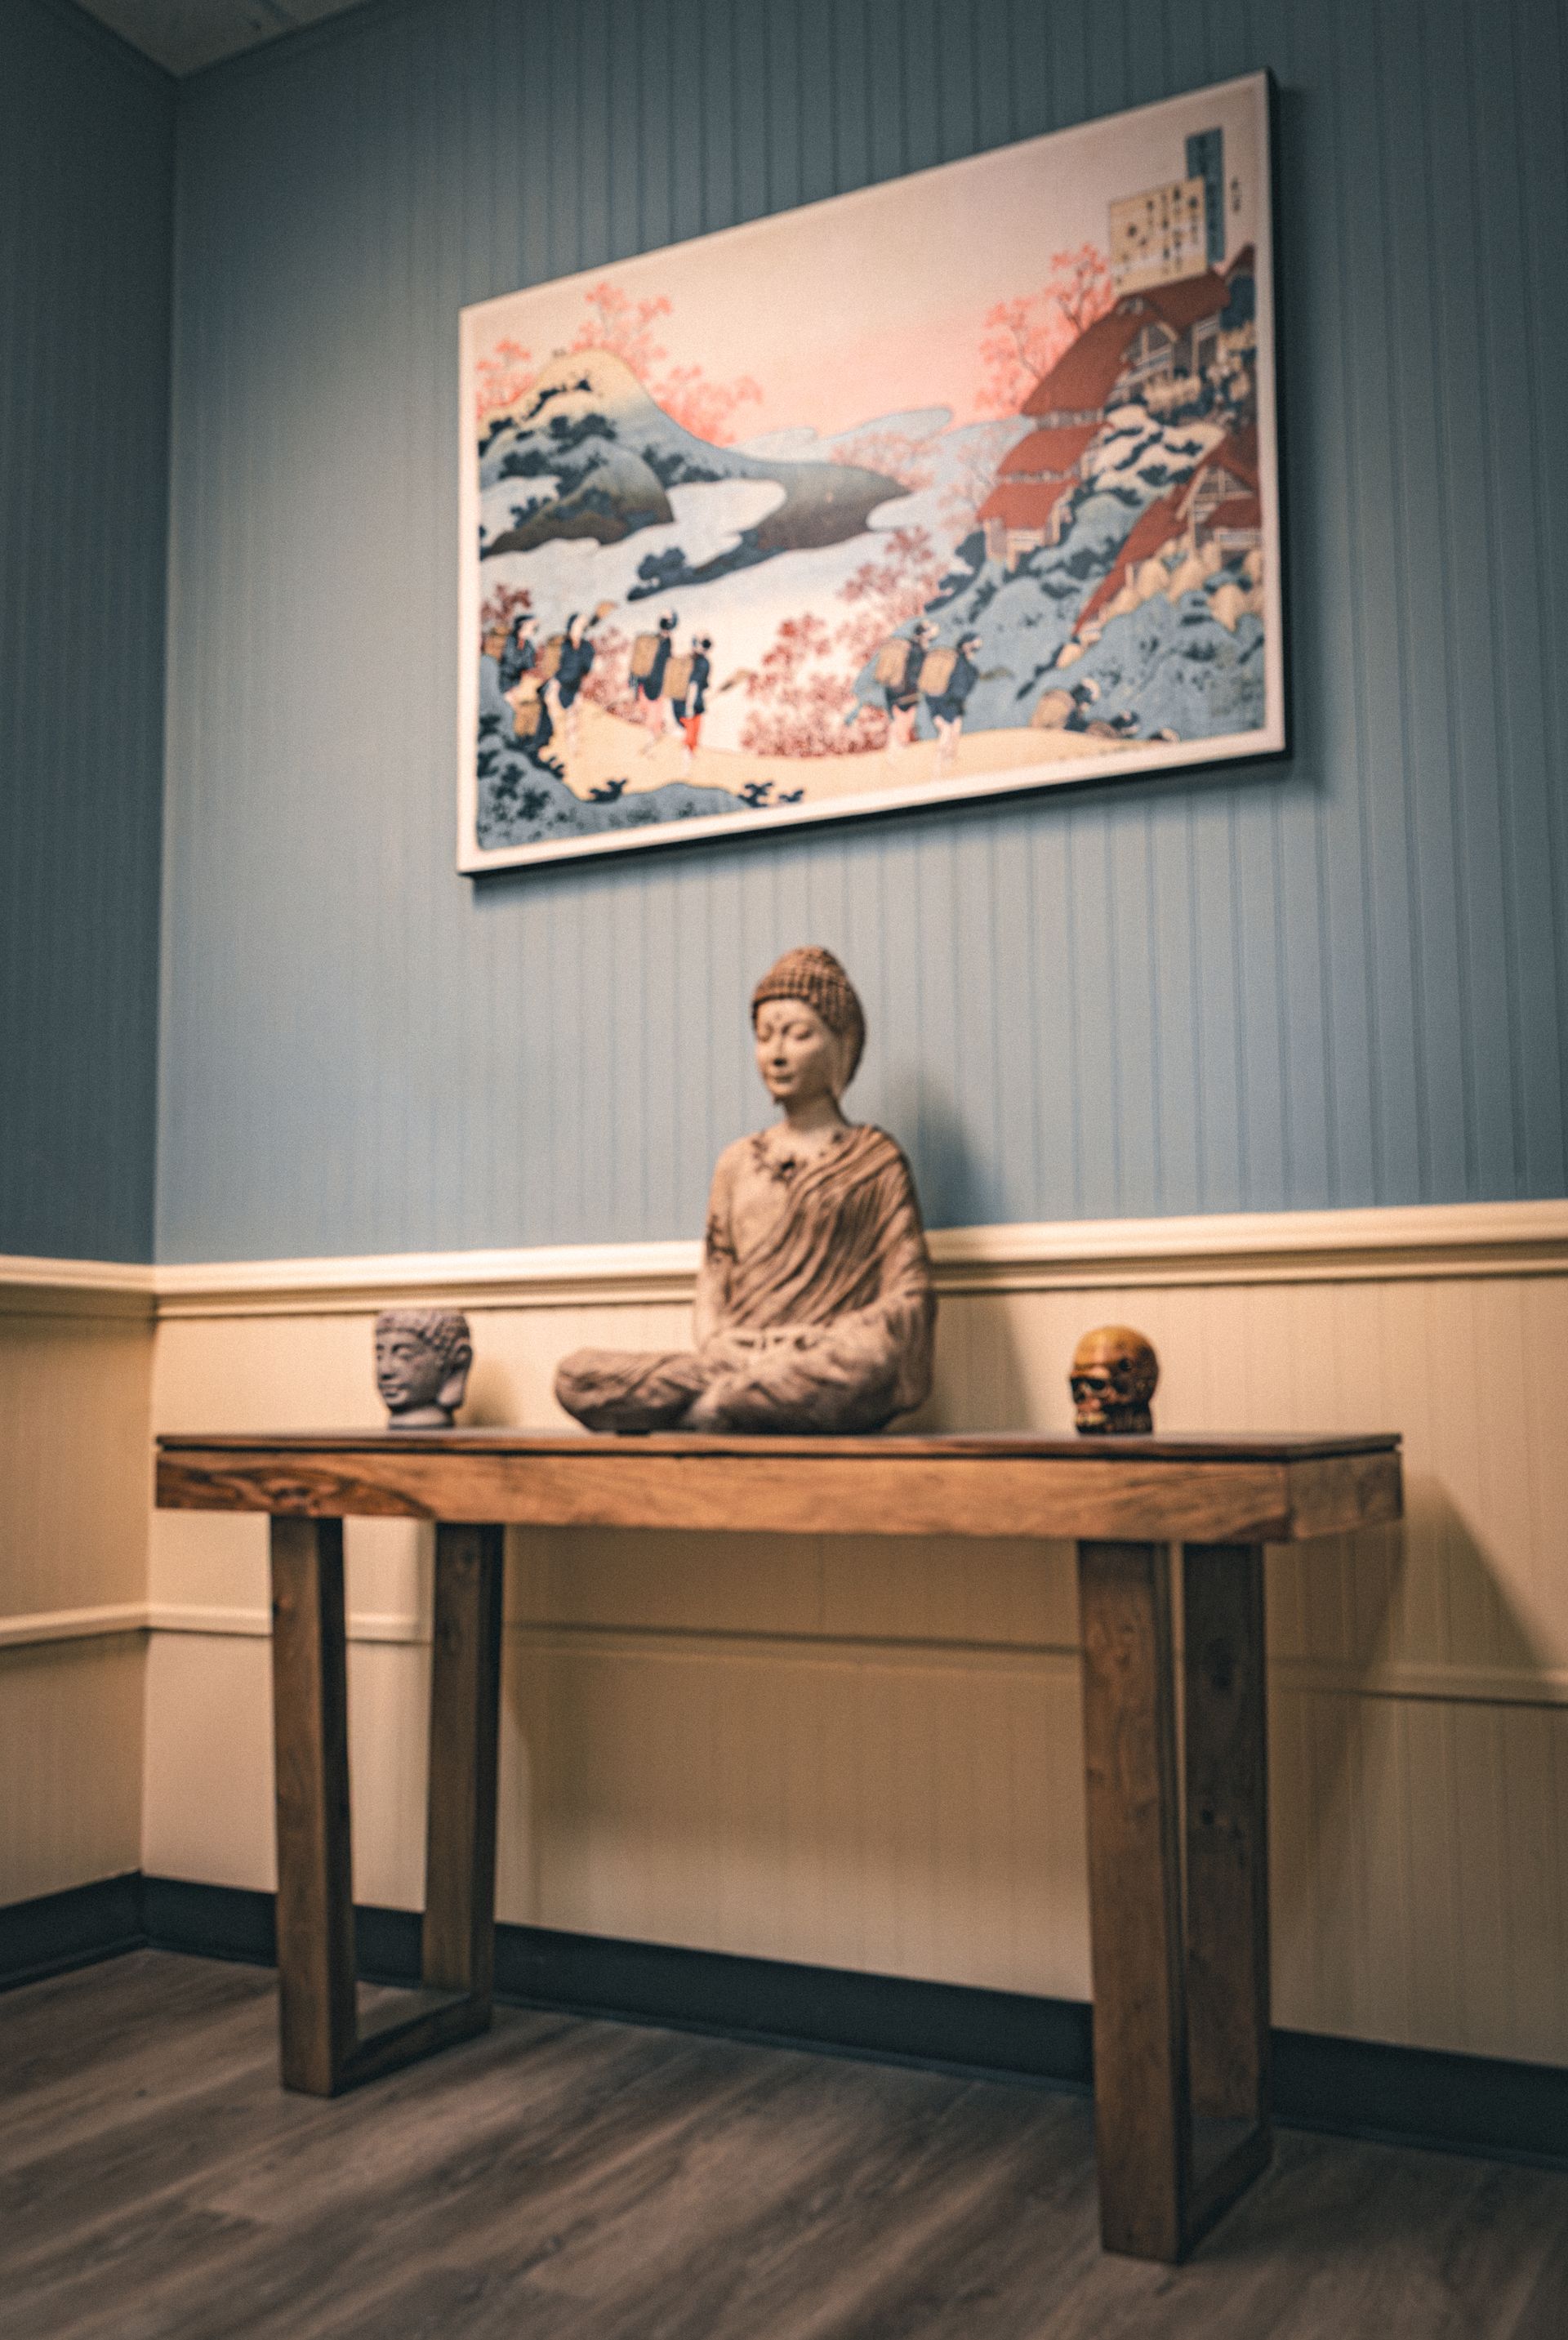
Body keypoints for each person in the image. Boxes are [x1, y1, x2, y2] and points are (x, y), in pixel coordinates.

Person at [555, 948, 935, 1435]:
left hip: (817, 1358)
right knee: (579, 1376)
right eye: (764, 1036)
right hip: (737, 1362)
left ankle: (717, 1409)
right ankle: (733, 1403)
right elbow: (713, 1279)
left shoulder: (876, 1160)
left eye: (798, 1035)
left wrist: (820, 1341)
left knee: (869, 1361)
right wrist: (718, 1343)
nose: (777, 1053)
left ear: (843, 1045)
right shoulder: (736, 1163)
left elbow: (910, 1297)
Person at [924, 631, 982, 773]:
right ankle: (939, 767)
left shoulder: (951, 658)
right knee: (948, 732)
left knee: (950, 732)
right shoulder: (963, 664)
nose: (976, 650)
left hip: (934, 699)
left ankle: (946, 765)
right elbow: (960, 688)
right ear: (967, 646)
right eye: (974, 647)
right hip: (950, 702)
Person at [883, 617, 936, 754]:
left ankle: (897, 750)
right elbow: (915, 673)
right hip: (905, 691)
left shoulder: (912, 648)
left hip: (898, 690)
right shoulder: (917, 651)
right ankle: (897, 751)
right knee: (903, 722)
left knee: (902, 723)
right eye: (928, 634)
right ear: (923, 635)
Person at [550, 608, 598, 760]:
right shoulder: (561, 644)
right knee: (554, 717)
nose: (581, 626)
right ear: (572, 624)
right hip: (557, 685)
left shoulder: (586, 647)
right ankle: (554, 749)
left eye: (583, 624)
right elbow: (551, 665)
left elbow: (587, 669)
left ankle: (572, 749)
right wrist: (554, 684)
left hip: (575, 687)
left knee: (573, 720)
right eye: (579, 623)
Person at [633, 610, 679, 751]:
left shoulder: (667, 642)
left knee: (655, 714)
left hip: (657, 683)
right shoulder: (657, 641)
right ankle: (649, 743)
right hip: (650, 682)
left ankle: (651, 742)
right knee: (652, 714)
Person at [670, 632, 712, 766]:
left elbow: (701, 684)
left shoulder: (694, 660)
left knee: (694, 733)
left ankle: (689, 759)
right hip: (690, 704)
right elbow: (693, 685)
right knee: (691, 734)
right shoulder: (701, 663)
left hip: (690, 703)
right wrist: (690, 706)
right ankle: (685, 764)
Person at [497, 610, 537, 697]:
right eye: (531, 625)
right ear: (522, 626)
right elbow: (509, 662)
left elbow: (530, 665)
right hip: (504, 679)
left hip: (519, 680)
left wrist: (531, 672)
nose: (534, 628)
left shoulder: (529, 645)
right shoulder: (509, 641)